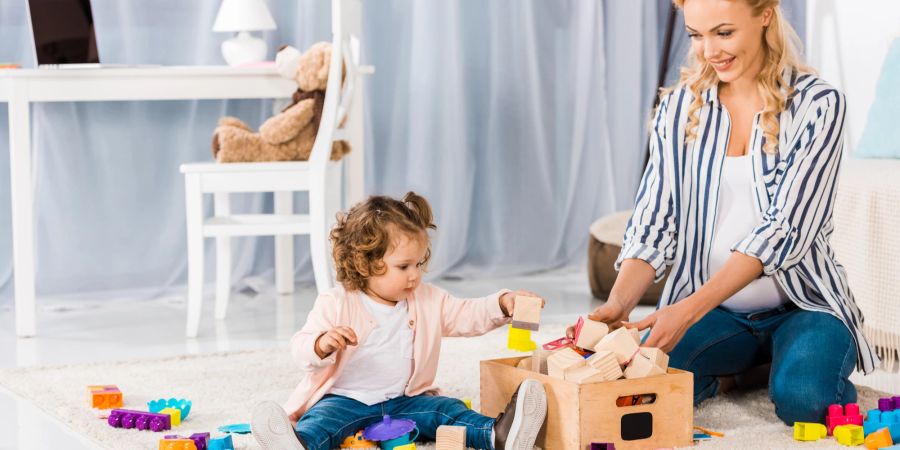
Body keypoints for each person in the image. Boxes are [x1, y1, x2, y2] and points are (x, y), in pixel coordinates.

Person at [572, 0, 877, 425]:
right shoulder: (678, 109)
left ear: (765, 14)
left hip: (803, 305)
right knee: (636, 382)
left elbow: (781, 232)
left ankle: (784, 363)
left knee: (806, 401)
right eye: (697, 35)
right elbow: (654, 223)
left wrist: (687, 310)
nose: (709, 50)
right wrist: (619, 303)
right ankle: (742, 374)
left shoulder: (819, 105)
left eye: (724, 32)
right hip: (719, 314)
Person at [251, 192, 548, 450]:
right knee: (321, 421)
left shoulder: (427, 299)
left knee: (446, 410)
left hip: (405, 401)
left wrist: (501, 303)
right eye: (403, 266)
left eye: (419, 263)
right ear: (364, 263)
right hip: (344, 400)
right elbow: (300, 347)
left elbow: (466, 313)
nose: (415, 274)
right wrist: (321, 344)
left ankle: (497, 435)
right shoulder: (337, 301)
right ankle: (298, 444)